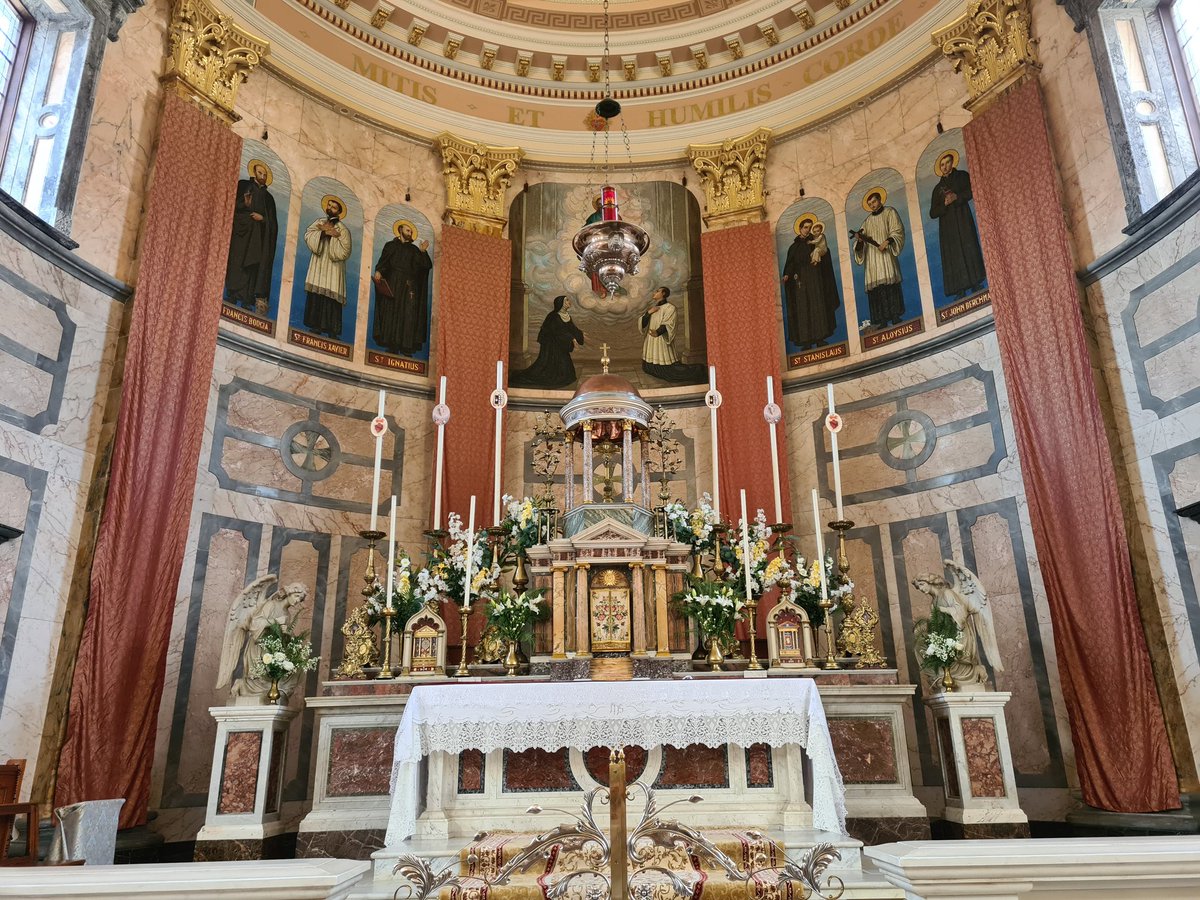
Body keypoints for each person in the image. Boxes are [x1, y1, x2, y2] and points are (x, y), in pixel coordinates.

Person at [928, 150, 986, 299]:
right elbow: (932, 213)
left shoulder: (962, 176)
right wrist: (944, 204)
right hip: (948, 228)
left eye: (947, 163)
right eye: (942, 165)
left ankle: (975, 283)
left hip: (963, 219)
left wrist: (957, 197)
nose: (945, 166)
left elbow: (973, 190)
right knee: (954, 256)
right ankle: (959, 289)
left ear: (952, 162)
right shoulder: (937, 189)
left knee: (969, 248)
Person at [224, 161, 278, 312]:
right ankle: (232, 295)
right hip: (241, 235)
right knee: (237, 264)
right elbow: (232, 207)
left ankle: (247, 300)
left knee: (253, 268)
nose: (262, 176)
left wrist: (263, 219)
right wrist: (245, 204)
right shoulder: (243, 186)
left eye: (265, 174)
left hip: (258, 239)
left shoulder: (269, 199)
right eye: (260, 173)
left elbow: (273, 224)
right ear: (254, 172)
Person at [372, 221, 432, 356]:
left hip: (409, 287)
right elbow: (383, 262)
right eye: (407, 230)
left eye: (411, 231)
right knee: (391, 313)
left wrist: (423, 252)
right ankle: (392, 345)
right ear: (400, 230)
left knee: (408, 316)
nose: (410, 233)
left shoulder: (414, 250)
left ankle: (406, 347)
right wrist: (379, 271)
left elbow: (426, 266)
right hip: (392, 284)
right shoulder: (390, 246)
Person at [782, 216, 840, 348]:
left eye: (809, 227)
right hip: (800, 283)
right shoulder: (794, 247)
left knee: (817, 307)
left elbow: (824, 253)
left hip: (815, 280)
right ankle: (806, 341)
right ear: (800, 228)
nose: (807, 230)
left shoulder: (815, 242)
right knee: (803, 309)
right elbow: (790, 263)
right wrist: (787, 274)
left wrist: (822, 253)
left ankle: (820, 338)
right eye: (805, 227)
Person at [851, 189, 906, 328]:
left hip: (886, 256)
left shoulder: (890, 212)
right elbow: (860, 243)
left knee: (890, 285)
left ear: (880, 200)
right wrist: (860, 240)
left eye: (874, 201)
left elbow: (897, 231)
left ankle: (895, 316)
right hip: (872, 261)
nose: (873, 205)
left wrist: (887, 242)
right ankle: (882, 320)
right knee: (877, 290)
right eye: (870, 204)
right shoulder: (867, 222)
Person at [302, 196, 353, 339]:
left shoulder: (343, 230)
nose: (330, 208)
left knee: (332, 299)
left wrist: (335, 237)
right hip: (318, 264)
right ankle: (315, 326)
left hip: (333, 268)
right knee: (316, 295)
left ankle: (332, 330)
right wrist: (323, 234)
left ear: (339, 212)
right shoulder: (319, 222)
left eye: (334, 207)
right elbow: (308, 235)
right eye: (329, 205)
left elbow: (346, 250)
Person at [511, 295, 586, 388]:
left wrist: (580, 334)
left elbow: (572, 328)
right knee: (553, 373)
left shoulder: (567, 315)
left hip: (560, 344)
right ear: (561, 304)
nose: (569, 302)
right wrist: (571, 338)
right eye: (567, 300)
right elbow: (558, 332)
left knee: (567, 372)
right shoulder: (553, 317)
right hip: (551, 346)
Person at [639, 286, 707, 383]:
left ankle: (698, 369)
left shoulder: (670, 308)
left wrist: (658, 332)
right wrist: (649, 312)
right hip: (651, 341)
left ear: (663, 294)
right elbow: (643, 322)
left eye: (657, 291)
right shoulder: (653, 309)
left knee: (669, 372)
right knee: (647, 368)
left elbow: (669, 323)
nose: (654, 293)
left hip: (661, 340)